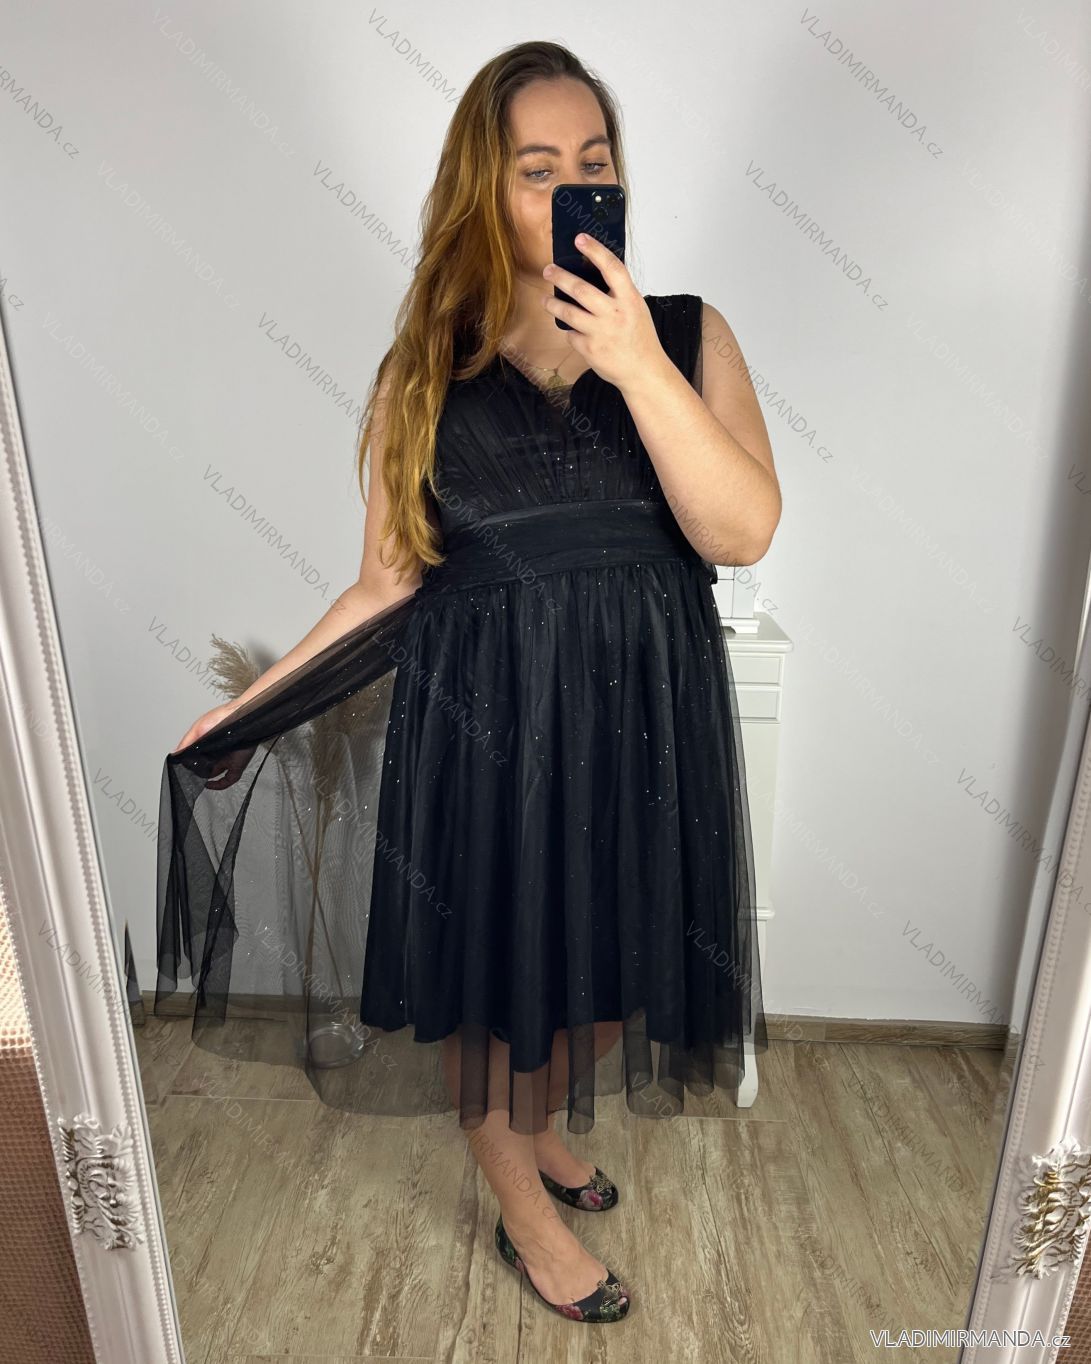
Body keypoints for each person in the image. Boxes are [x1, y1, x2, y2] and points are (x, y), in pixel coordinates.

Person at [156, 40, 779, 1326]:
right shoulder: (424, 372)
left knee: (620, 969)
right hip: (489, 732)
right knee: (498, 990)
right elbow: (383, 586)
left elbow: (740, 528)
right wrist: (253, 708)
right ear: (482, 189)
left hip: (644, 727)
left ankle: (537, 1126)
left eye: (592, 162)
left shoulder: (684, 334)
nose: (569, 187)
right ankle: (523, 1212)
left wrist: (633, 362)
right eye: (535, 167)